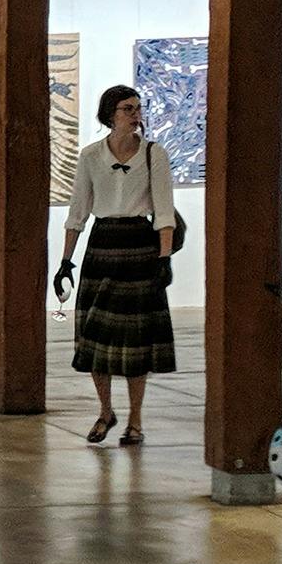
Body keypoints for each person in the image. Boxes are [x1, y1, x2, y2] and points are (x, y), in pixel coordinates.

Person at [54, 84, 177, 446]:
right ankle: (106, 411)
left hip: (139, 246)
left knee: (136, 343)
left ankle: (135, 421)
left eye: (138, 108)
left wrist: (164, 259)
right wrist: (65, 261)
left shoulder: (154, 154)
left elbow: (164, 212)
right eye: (127, 108)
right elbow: (77, 212)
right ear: (110, 114)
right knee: (96, 338)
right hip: (102, 245)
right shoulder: (91, 156)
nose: (135, 114)